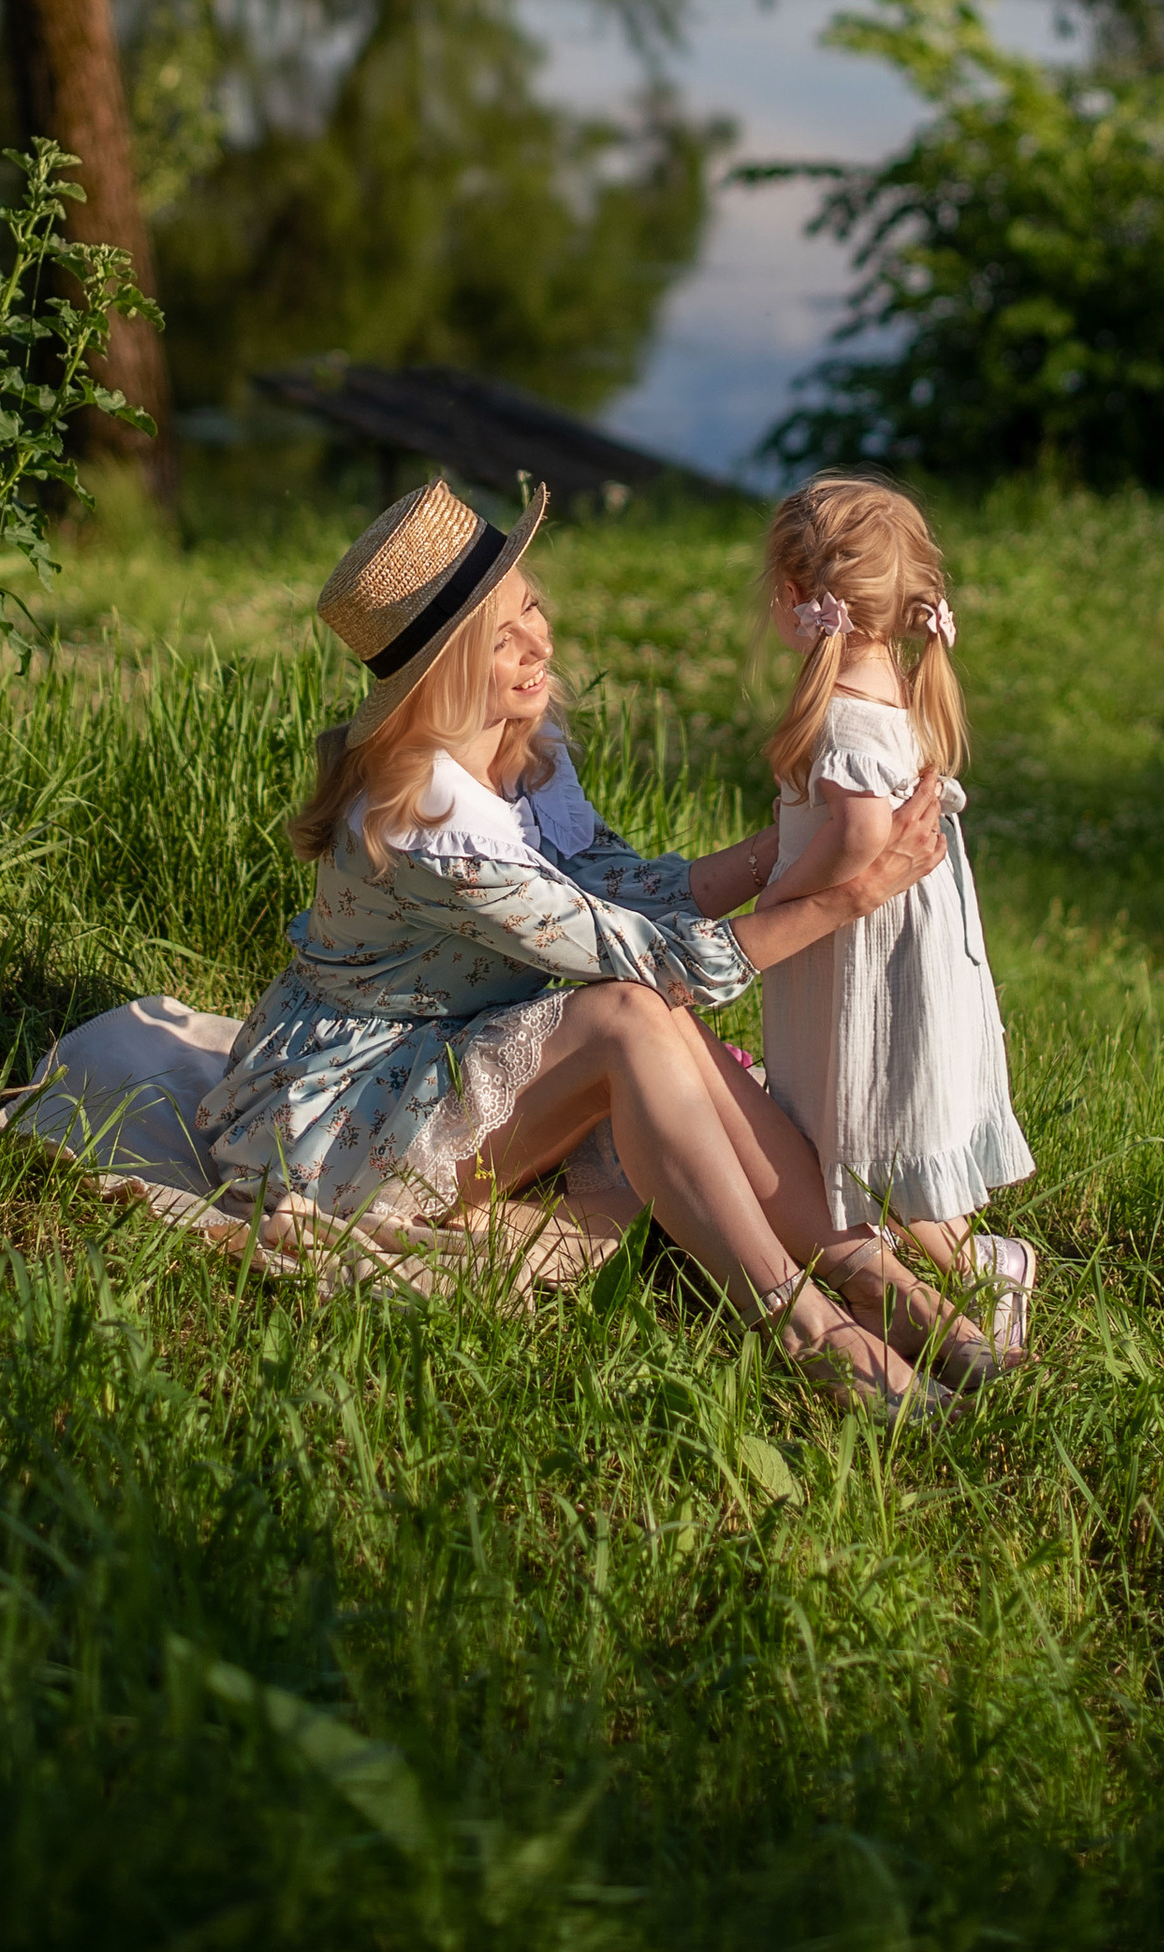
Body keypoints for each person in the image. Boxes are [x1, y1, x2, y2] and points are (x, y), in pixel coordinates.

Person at [195, 476, 997, 1408]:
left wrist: (799, 842)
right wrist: (850, 891)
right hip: (345, 1116)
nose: (540, 640)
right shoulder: (422, 827)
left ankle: (876, 1281)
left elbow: (619, 888)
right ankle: (807, 1330)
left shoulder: (522, 754)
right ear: (448, 668)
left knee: (653, 1021)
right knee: (633, 1013)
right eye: (504, 637)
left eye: (532, 606)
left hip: (448, 1049)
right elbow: (649, 959)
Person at [752, 474, 1038, 1357]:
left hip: (857, 955)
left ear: (801, 599)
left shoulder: (841, 717)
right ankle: (977, 1262)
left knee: (857, 1122)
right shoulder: (901, 694)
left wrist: (784, 897)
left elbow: (861, 835)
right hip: (910, 950)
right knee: (892, 1125)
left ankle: (981, 1275)